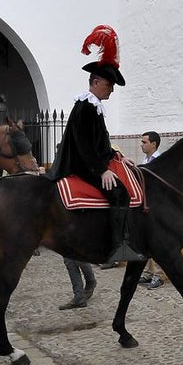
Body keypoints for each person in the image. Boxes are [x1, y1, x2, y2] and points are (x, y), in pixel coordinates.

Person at [48, 25, 144, 264]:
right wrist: (101, 170)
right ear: (97, 81)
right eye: (109, 85)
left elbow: (98, 142)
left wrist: (118, 157)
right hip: (83, 165)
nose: (111, 89)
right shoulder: (86, 105)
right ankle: (117, 247)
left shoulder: (93, 106)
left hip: (93, 162)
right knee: (120, 193)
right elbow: (83, 143)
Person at [137, 131, 166, 289]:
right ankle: (148, 273)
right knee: (146, 241)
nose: (141, 144)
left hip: (156, 206)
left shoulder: (158, 161)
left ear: (153, 144)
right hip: (146, 205)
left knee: (157, 242)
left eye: (144, 142)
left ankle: (159, 275)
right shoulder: (146, 159)